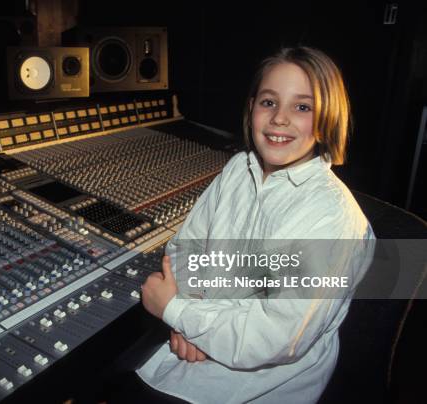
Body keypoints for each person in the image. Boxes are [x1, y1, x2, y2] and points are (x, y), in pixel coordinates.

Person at [137, 46, 376, 403]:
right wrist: (188, 321)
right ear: (251, 109)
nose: (280, 118)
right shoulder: (238, 169)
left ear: (328, 118)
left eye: (302, 107)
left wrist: (176, 311)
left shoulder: (332, 217)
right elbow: (188, 250)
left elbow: (273, 336)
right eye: (268, 102)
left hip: (250, 388)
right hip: (187, 354)